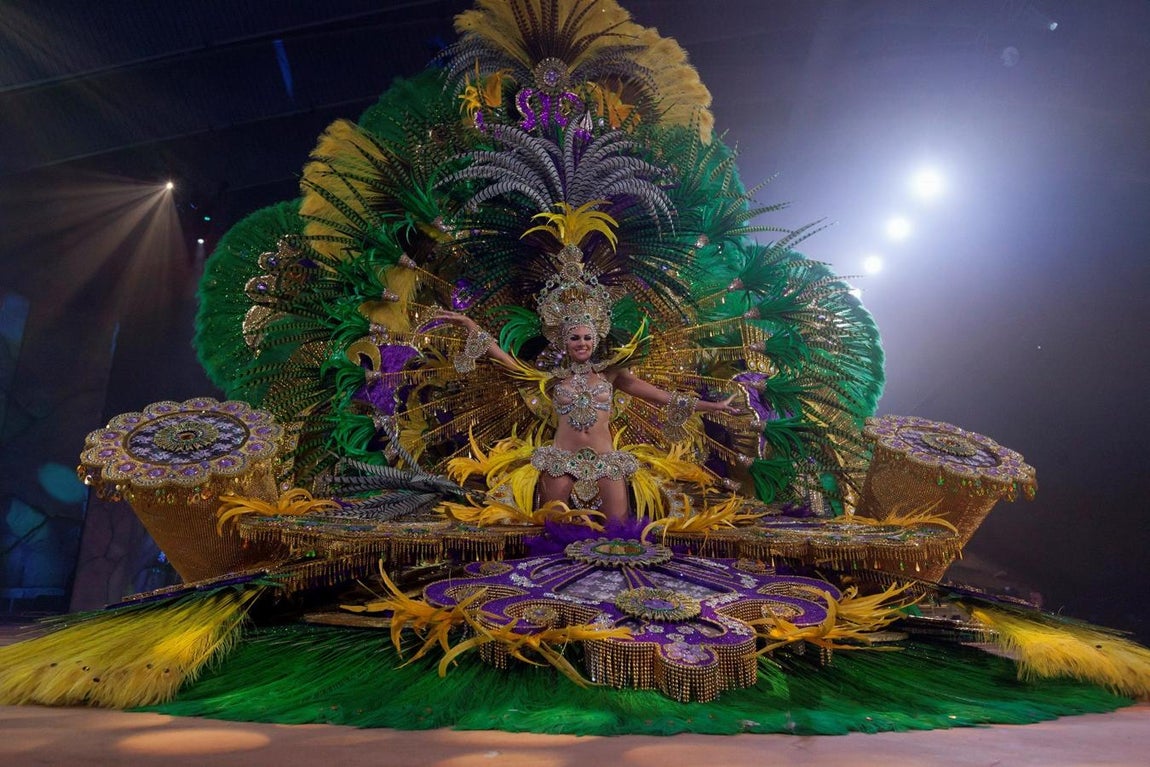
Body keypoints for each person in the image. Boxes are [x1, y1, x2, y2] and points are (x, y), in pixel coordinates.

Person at [433, 307, 739, 526]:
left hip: (606, 461)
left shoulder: (612, 374)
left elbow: (660, 396)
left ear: (595, 340)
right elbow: (504, 358)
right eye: (575, 338)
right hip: (561, 461)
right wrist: (469, 324)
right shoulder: (551, 378)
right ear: (564, 343)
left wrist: (712, 407)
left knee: (618, 532)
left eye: (587, 338)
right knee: (554, 531)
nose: (582, 343)